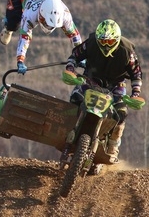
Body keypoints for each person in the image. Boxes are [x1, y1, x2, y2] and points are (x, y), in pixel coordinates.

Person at [62, 19, 144, 160]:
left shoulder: (127, 51)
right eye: (103, 41)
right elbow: (74, 56)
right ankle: (66, 130)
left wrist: (135, 93)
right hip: (91, 80)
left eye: (110, 42)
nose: (106, 45)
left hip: (116, 86)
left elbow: (136, 74)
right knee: (75, 98)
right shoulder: (91, 43)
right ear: (98, 39)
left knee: (121, 113)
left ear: (117, 40)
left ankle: (113, 145)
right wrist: (70, 69)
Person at [0, 0, 82, 74]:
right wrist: (20, 60)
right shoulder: (30, 14)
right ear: (41, 15)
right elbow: (25, 37)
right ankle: (8, 29)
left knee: (70, 29)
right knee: (14, 22)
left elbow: (74, 35)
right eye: (47, 23)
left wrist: (81, 56)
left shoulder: (64, 13)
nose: (49, 27)